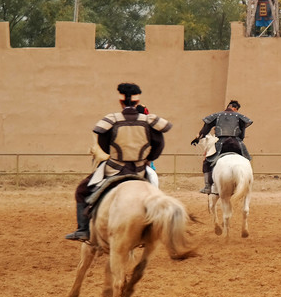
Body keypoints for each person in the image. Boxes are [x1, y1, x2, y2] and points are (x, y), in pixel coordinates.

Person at [65, 83, 172, 241]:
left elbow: (104, 145)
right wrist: (147, 159)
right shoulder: (150, 121)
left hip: (114, 169)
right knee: (155, 191)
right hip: (140, 170)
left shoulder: (111, 120)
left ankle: (83, 229)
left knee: (81, 190)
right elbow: (159, 145)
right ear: (138, 101)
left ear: (121, 101)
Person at [191, 100, 253, 194]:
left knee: (207, 162)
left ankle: (208, 187)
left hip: (221, 144)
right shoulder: (240, 117)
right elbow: (242, 135)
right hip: (237, 144)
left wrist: (197, 138)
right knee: (246, 161)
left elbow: (205, 129)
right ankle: (247, 182)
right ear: (235, 108)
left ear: (228, 106)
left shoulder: (217, 115)